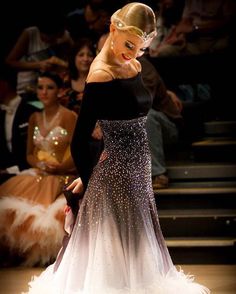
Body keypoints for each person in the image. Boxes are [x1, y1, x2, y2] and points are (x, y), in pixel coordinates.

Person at [25, 3, 210, 293]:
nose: (133, 54)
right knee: (114, 244)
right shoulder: (100, 75)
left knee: (136, 240)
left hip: (137, 168)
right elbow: (80, 139)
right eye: (128, 45)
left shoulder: (134, 65)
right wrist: (90, 180)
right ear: (113, 29)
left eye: (139, 48)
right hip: (114, 176)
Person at [0, 72, 77, 267]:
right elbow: (29, 154)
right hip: (39, 172)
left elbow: (78, 151)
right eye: (40, 87)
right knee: (13, 204)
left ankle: (48, 256)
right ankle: (21, 253)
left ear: (59, 91)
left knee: (44, 213)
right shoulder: (34, 117)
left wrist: (60, 166)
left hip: (61, 173)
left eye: (49, 87)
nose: (44, 92)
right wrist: (39, 164)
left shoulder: (69, 116)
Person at [5, 10, 73, 96]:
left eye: (55, 39)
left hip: (54, 87)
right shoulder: (30, 33)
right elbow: (10, 62)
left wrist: (61, 63)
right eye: (47, 39)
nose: (51, 42)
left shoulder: (64, 36)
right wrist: (39, 64)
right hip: (28, 87)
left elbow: (75, 60)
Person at [0, 64, 39, 184]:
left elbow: (37, 152)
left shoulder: (32, 112)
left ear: (3, 84)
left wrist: (10, 170)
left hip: (29, 175)